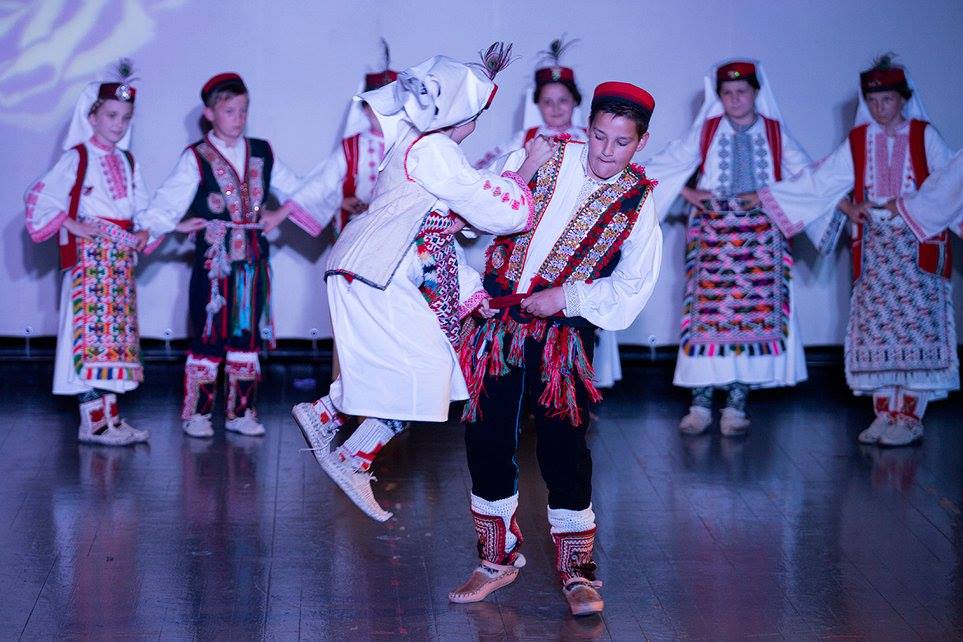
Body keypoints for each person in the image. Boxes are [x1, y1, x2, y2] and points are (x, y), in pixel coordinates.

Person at [291, 46, 555, 522]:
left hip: (375, 271)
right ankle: (348, 450)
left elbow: (436, 237)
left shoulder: (429, 150)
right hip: (375, 272)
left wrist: (471, 291)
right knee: (428, 370)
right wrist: (527, 169)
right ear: (461, 115)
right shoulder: (434, 150)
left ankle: (328, 417)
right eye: (476, 112)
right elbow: (500, 210)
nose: (477, 121)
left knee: (425, 373)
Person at [449, 81, 663, 617]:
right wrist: (522, 170)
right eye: (599, 136)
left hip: (563, 338)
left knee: (564, 447)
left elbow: (633, 288)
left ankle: (577, 571)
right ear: (587, 128)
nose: (606, 152)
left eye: (621, 142)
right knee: (486, 436)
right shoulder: (544, 155)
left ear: (641, 142)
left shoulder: (639, 200)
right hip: (497, 326)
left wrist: (566, 296)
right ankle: (494, 560)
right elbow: (473, 217)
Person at [748, 54, 958, 446]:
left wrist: (906, 205)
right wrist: (847, 207)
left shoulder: (923, 135)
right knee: (877, 330)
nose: (880, 108)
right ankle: (884, 413)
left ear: (903, 99)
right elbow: (824, 180)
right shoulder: (860, 140)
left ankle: (910, 416)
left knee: (914, 330)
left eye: (888, 100)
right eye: (873, 101)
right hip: (876, 250)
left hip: (915, 250)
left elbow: (949, 183)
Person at [138, 72, 323, 438]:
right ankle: (198, 414)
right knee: (208, 335)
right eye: (229, 110)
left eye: (243, 110)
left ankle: (242, 412)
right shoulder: (196, 157)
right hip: (214, 267)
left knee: (246, 336)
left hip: (252, 265)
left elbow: (300, 189)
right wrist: (158, 227)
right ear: (209, 114)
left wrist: (279, 214)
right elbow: (167, 201)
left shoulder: (262, 152)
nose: (238, 118)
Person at [643, 60, 811, 436]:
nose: (735, 99)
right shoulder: (707, 130)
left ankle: (736, 404)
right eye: (727, 93)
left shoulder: (774, 132)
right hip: (714, 240)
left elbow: (807, 177)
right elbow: (665, 164)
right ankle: (700, 404)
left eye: (742, 91)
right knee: (707, 320)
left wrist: (766, 196)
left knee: (749, 322)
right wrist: (687, 192)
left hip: (761, 243)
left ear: (756, 93)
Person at [24, 60, 152, 446]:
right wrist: (72, 223)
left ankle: (112, 419)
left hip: (119, 264)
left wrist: (144, 229)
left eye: (125, 117)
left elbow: (141, 206)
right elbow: (39, 198)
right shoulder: (77, 158)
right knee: (89, 339)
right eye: (111, 115)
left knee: (115, 342)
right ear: (92, 116)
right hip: (90, 265)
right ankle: (92, 422)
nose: (118, 124)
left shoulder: (128, 161)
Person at [288, 39, 399, 236]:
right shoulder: (352, 147)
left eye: (389, 108)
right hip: (357, 228)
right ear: (365, 109)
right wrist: (282, 212)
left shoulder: (408, 144)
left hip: (396, 227)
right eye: (376, 108)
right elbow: (323, 184)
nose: (383, 115)